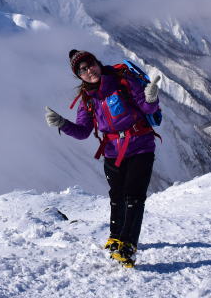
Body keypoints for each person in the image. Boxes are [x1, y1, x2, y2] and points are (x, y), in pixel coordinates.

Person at [45, 50, 161, 267]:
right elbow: (82, 131)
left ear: (98, 63)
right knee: (117, 197)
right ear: (78, 76)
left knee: (134, 197)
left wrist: (151, 98)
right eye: (83, 70)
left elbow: (146, 107)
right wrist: (62, 123)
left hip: (140, 147)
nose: (89, 71)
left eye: (91, 65)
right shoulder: (87, 99)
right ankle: (116, 238)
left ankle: (128, 246)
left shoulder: (123, 81)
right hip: (112, 152)